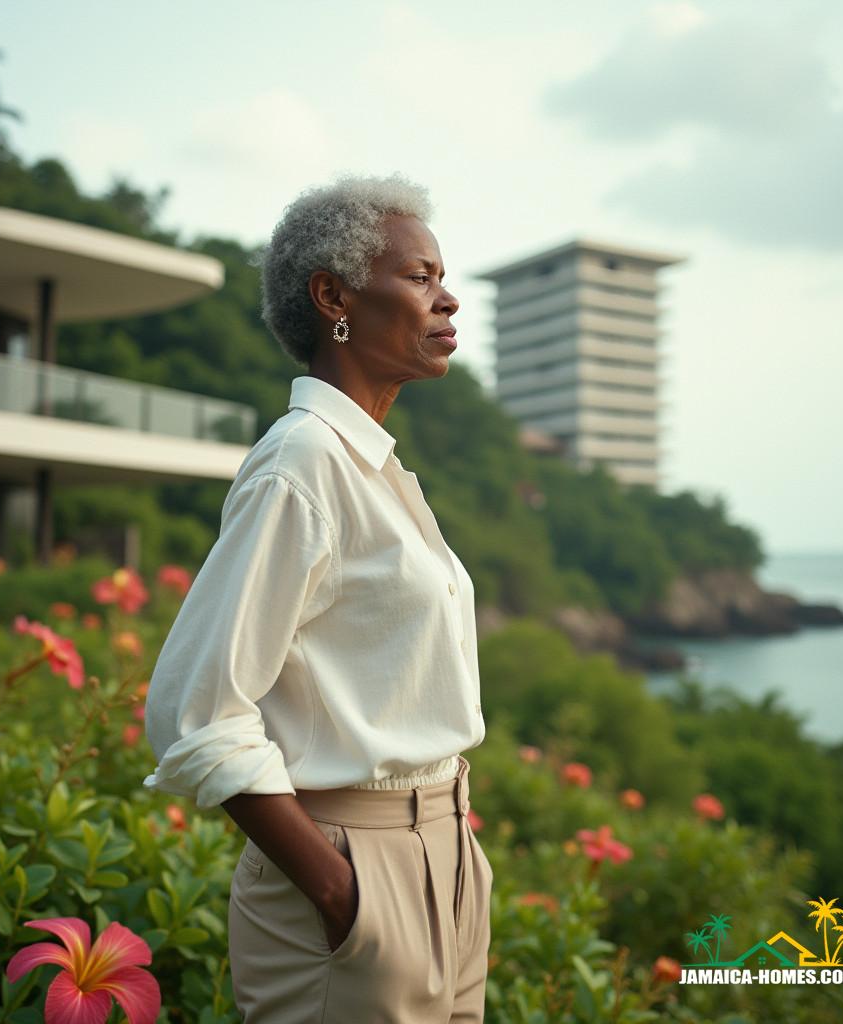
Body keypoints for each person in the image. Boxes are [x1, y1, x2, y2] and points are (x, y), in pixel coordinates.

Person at [143, 173, 492, 1023]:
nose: (448, 300)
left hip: (447, 858)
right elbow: (197, 710)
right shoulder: (301, 463)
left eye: (443, 278)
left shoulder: (371, 468)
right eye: (420, 277)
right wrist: (339, 889)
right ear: (334, 297)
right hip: (352, 874)